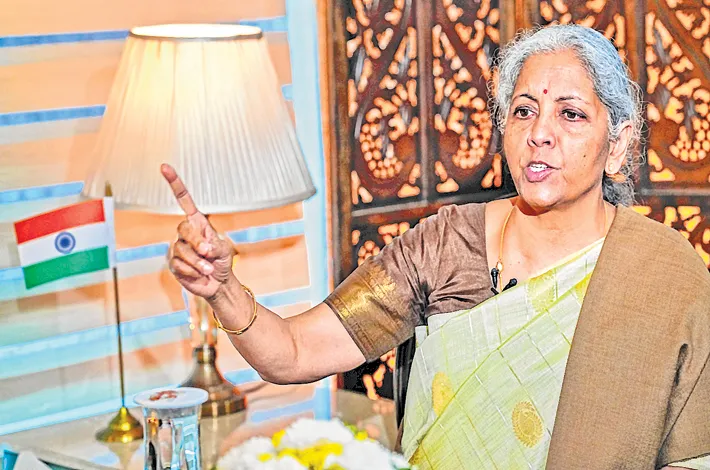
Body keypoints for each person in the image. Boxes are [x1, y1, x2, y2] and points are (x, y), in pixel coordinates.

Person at [162, 24, 710, 469]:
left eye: (571, 114)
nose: (540, 133)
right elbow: (294, 352)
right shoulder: (445, 247)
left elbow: (693, 457)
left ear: (618, 144)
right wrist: (223, 288)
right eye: (524, 111)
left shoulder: (666, 275)